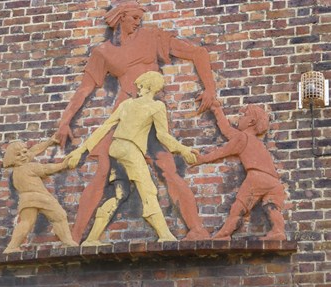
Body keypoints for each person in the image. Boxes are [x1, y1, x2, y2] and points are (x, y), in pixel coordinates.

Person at [57, 0, 216, 243]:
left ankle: (196, 229)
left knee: (167, 168)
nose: (138, 21)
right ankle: (74, 237)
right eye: (133, 17)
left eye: (139, 17)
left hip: (150, 112)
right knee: (102, 173)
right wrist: (64, 121)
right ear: (120, 17)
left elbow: (197, 53)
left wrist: (210, 89)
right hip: (124, 111)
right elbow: (84, 89)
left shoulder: (152, 37)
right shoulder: (104, 52)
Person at [68, 71, 198, 245]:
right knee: (149, 190)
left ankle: (91, 239)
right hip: (130, 149)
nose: (138, 87)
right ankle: (165, 235)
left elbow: (105, 127)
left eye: (141, 84)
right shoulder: (156, 106)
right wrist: (183, 149)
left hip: (116, 148)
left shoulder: (127, 104)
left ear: (147, 85)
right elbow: (162, 136)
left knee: (120, 193)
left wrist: (81, 150)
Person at [194, 101, 287, 240]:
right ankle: (278, 231)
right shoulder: (256, 142)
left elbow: (223, 149)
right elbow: (227, 130)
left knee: (238, 207)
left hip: (257, 178)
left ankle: (224, 234)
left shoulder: (242, 138)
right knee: (271, 206)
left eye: (244, 115)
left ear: (251, 121)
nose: (240, 118)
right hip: (274, 182)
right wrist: (217, 109)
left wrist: (203, 159)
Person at [2, 137, 78, 253]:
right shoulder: (28, 166)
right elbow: (46, 169)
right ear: (12, 159)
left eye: (24, 152)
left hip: (25, 199)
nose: (23, 155)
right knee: (59, 216)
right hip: (40, 196)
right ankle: (67, 241)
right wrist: (63, 165)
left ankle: (12, 247)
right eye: (18, 155)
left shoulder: (17, 171)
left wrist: (49, 142)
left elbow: (34, 150)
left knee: (26, 222)